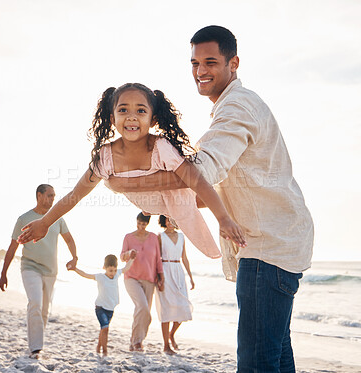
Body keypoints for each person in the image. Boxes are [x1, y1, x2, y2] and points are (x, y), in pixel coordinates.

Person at [106, 26, 314, 373]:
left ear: (233, 63)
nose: (200, 71)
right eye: (194, 63)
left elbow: (202, 170)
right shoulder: (233, 107)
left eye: (210, 62)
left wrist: (125, 182)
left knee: (256, 362)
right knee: (276, 355)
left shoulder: (237, 108)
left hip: (268, 248)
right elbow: (207, 190)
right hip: (278, 242)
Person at [17, 82, 247, 256]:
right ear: (112, 117)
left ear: (153, 119)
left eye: (140, 111)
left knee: (201, 196)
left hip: (177, 199)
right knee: (193, 199)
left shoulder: (160, 147)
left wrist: (223, 219)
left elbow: (195, 180)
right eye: (123, 110)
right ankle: (218, 202)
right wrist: (45, 223)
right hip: (149, 203)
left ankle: (235, 194)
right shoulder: (106, 156)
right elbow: (75, 195)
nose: (131, 117)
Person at [0, 184, 78, 359]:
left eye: (54, 196)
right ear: (39, 196)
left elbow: (69, 239)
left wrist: (74, 257)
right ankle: (36, 348)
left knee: (43, 311)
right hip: (30, 266)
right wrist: (4, 273)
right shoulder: (24, 218)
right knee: (35, 302)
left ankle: (36, 343)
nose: (52, 199)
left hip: (51, 271)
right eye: (49, 196)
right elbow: (13, 247)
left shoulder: (58, 219)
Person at [68, 252, 136, 355]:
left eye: (113, 270)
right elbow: (86, 275)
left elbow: (126, 268)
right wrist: (75, 269)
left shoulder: (117, 274)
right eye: (110, 270)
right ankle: (105, 351)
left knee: (103, 329)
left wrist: (132, 258)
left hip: (110, 308)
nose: (112, 273)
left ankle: (99, 346)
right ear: (104, 267)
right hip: (100, 308)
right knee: (105, 328)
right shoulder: (100, 277)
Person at [120, 212, 163, 352]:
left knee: (143, 311)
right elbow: (122, 256)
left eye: (143, 224)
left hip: (150, 279)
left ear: (147, 224)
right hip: (131, 277)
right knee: (142, 307)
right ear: (136, 221)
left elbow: (158, 259)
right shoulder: (128, 237)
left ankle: (136, 340)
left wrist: (161, 277)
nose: (140, 226)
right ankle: (137, 342)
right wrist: (128, 254)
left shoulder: (153, 238)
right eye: (139, 223)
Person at [155, 215, 194, 355]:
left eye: (172, 219)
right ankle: (166, 345)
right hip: (165, 271)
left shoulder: (182, 236)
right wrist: (159, 277)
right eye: (167, 219)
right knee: (166, 309)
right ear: (163, 221)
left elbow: (184, 258)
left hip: (178, 273)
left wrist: (190, 276)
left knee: (183, 307)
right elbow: (157, 258)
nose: (170, 222)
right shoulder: (160, 236)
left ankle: (172, 334)